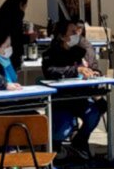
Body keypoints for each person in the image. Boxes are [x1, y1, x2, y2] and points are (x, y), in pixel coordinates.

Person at [42, 18, 104, 161]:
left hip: (80, 97)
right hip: (61, 100)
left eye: (78, 31)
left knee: (94, 112)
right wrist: (76, 70)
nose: (77, 34)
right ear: (63, 36)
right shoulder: (51, 53)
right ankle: (56, 145)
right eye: (72, 32)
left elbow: (94, 67)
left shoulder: (82, 51)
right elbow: (50, 71)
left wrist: (95, 73)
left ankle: (80, 142)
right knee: (62, 129)